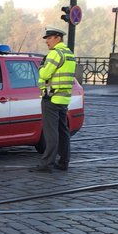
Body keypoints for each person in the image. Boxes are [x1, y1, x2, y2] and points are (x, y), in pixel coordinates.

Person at [29, 26, 76, 173]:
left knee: (51, 133)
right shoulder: (69, 53)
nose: (47, 42)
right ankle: (63, 161)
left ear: (58, 38)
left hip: (51, 98)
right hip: (63, 98)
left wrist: (42, 66)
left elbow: (44, 74)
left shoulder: (55, 54)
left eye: (49, 38)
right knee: (63, 131)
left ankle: (46, 164)